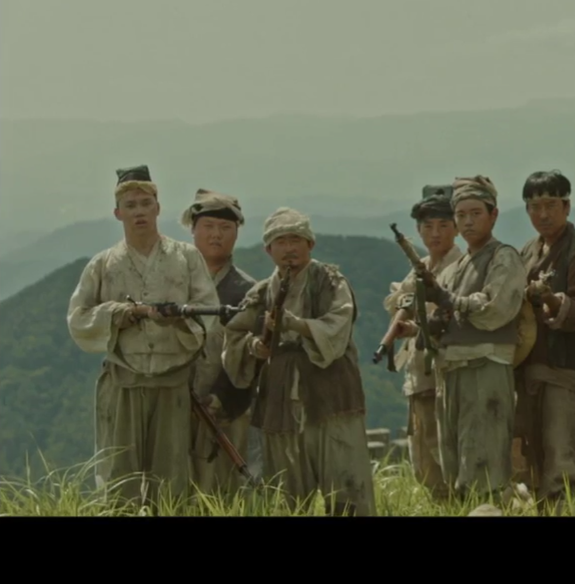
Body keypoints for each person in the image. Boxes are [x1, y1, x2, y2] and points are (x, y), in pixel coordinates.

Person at [66, 165, 218, 507]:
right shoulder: (103, 264)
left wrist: (178, 320)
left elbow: (208, 313)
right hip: (124, 380)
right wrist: (122, 313)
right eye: (131, 205)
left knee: (172, 480)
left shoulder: (186, 257)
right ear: (117, 213)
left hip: (173, 382)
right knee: (121, 480)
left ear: (158, 208)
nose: (139, 212)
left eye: (146, 203)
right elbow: (78, 318)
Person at [221, 207, 377, 516]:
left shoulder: (330, 281)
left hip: (332, 395)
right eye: (281, 242)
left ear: (310, 244)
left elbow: (339, 325)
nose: (289, 248)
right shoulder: (261, 293)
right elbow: (234, 333)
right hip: (280, 398)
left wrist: (297, 325)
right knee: (287, 492)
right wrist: (255, 347)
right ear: (268, 250)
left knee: (346, 484)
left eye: (296, 240)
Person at [420, 176, 525, 500]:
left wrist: (451, 301)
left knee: (484, 459)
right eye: (461, 214)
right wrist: (433, 321)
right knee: (456, 460)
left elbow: (495, 308)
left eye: (476, 213)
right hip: (453, 371)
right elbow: (446, 313)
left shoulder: (503, 257)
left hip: (485, 367)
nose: (467, 221)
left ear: (493, 215)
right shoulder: (457, 266)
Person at [516, 170, 575, 508]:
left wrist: (553, 300)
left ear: (566, 207)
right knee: (535, 458)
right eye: (535, 207)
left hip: (566, 371)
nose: (543, 214)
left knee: (565, 456)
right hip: (530, 370)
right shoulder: (529, 250)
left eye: (551, 205)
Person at [381, 185, 463, 498]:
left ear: (456, 227)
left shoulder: (462, 266)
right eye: (428, 226)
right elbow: (396, 301)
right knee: (424, 462)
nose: (435, 233)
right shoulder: (422, 266)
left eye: (443, 225)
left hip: (447, 373)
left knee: (449, 456)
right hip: (419, 375)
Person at [182, 188, 259, 495]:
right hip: (174, 401)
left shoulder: (247, 290)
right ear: (193, 229)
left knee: (224, 489)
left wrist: (219, 397)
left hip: (226, 408)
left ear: (236, 232)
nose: (216, 235)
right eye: (209, 226)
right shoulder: (175, 282)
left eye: (225, 227)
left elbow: (251, 358)